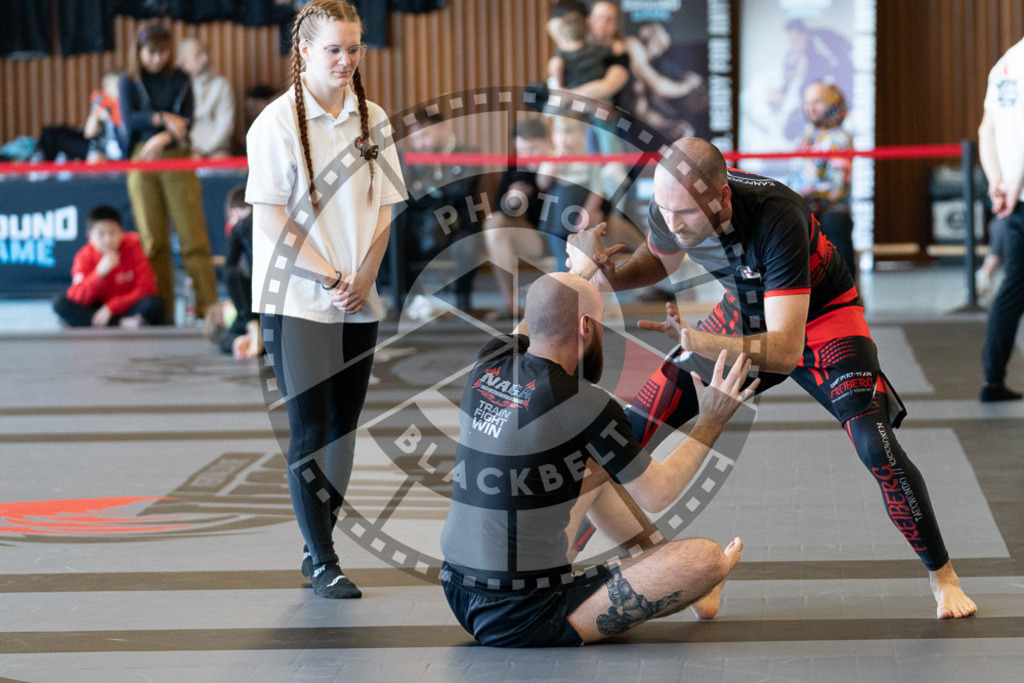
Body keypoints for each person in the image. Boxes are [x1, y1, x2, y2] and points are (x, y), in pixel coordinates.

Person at [568, 137, 977, 619]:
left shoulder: (776, 213)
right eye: (664, 211)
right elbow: (661, 258)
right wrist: (602, 274)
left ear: (722, 197)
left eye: (687, 216)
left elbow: (784, 350)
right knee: (625, 433)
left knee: (874, 445)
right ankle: (565, 566)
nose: (674, 225)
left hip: (823, 319)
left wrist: (702, 343)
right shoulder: (673, 199)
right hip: (743, 314)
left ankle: (942, 575)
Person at [440, 272, 756, 647]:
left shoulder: (492, 356)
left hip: (456, 588)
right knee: (705, 560)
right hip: (522, 612)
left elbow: (546, 308)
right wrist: (711, 421)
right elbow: (657, 494)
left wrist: (583, 268)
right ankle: (691, 582)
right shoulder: (585, 402)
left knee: (593, 466)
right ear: (586, 327)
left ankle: (679, 581)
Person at [245, 0, 406, 599]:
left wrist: (364, 277)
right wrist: (329, 278)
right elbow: (269, 216)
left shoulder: (374, 118)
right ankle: (322, 556)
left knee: (343, 428)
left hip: (357, 299)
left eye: (354, 48)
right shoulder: (276, 123)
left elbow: (385, 211)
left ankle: (319, 544)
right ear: (305, 51)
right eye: (334, 49)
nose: (346, 59)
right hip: (298, 301)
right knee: (310, 429)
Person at [120, 22, 218, 323]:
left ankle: (208, 309)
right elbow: (129, 119)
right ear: (139, 51)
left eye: (163, 52)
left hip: (176, 155)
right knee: (153, 242)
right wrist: (163, 118)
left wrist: (164, 135)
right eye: (151, 52)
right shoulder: (129, 80)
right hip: (141, 157)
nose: (157, 58)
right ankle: (162, 313)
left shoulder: (181, 79)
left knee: (193, 238)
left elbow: (186, 121)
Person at [394, 110, 481, 312]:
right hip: (420, 226)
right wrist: (441, 187)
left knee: (467, 244)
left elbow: (463, 188)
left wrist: (424, 187)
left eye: (424, 136)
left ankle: (463, 303)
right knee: (391, 234)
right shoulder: (411, 158)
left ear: (442, 128)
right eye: (415, 139)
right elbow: (408, 193)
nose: (420, 144)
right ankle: (411, 298)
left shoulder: (468, 153)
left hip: (458, 226)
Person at [978, 35, 1024, 402]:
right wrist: (1012, 182)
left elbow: (986, 130)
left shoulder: (1006, 62)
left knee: (1012, 288)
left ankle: (992, 380)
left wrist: (998, 181)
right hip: (1018, 191)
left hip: (1015, 200)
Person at [481, 118, 550, 321]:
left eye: (532, 149)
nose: (526, 156)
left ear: (548, 142)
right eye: (521, 151)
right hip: (533, 237)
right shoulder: (517, 167)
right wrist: (514, 200)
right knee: (493, 223)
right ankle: (510, 304)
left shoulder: (563, 162)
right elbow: (502, 209)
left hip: (563, 232)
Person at [788, 81, 856, 281]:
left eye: (817, 101)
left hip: (829, 214)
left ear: (832, 104)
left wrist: (805, 192)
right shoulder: (806, 137)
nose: (810, 107)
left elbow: (837, 188)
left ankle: (848, 301)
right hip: (803, 212)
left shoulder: (840, 139)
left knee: (838, 267)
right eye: (807, 102)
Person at [53, 205, 164, 328]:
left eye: (113, 232)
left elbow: (147, 288)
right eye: (101, 234)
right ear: (90, 235)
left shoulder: (133, 247)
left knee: (155, 304)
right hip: (96, 309)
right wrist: (99, 273)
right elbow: (77, 297)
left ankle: (103, 323)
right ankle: (119, 324)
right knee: (60, 303)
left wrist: (111, 308)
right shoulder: (83, 256)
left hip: (126, 306)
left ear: (121, 231)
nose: (108, 239)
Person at [536, 116, 606, 272]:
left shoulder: (589, 160)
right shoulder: (551, 159)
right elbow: (542, 183)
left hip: (579, 216)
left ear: (581, 135)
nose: (563, 139)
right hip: (556, 218)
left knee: (585, 258)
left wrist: (588, 211)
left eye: (569, 134)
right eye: (559, 134)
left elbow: (598, 189)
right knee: (562, 260)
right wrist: (553, 163)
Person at [211, 186, 262, 358]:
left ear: (233, 212)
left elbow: (229, 269)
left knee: (221, 334)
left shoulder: (241, 226)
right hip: (270, 303)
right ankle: (252, 333)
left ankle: (250, 330)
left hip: (258, 307)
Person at [177, 36, 236, 158]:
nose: (206, 58)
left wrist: (202, 150)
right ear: (183, 61)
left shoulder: (221, 85)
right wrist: (188, 150)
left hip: (216, 151)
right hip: (183, 151)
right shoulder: (176, 88)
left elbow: (225, 126)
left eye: (205, 52)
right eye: (198, 55)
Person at [83, 68, 124, 163]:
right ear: (106, 89)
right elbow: (88, 133)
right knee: (94, 161)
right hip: (102, 150)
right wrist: (97, 115)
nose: (122, 89)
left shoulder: (131, 104)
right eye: (118, 85)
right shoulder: (100, 103)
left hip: (125, 149)